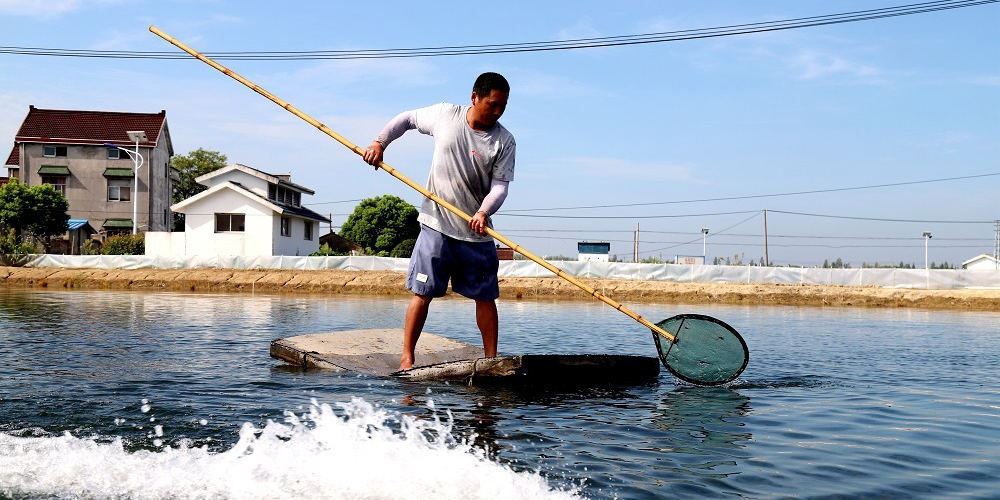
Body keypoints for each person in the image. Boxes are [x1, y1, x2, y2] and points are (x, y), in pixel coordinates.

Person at [362, 72, 515, 371]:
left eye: (503, 106)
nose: (497, 111)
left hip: (476, 231)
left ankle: (490, 360)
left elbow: (500, 187)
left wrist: (483, 212)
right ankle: (407, 357)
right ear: (474, 98)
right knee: (423, 292)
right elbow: (406, 119)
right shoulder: (446, 115)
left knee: (486, 297)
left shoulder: (504, 140)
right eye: (492, 104)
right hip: (436, 224)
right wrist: (380, 143)